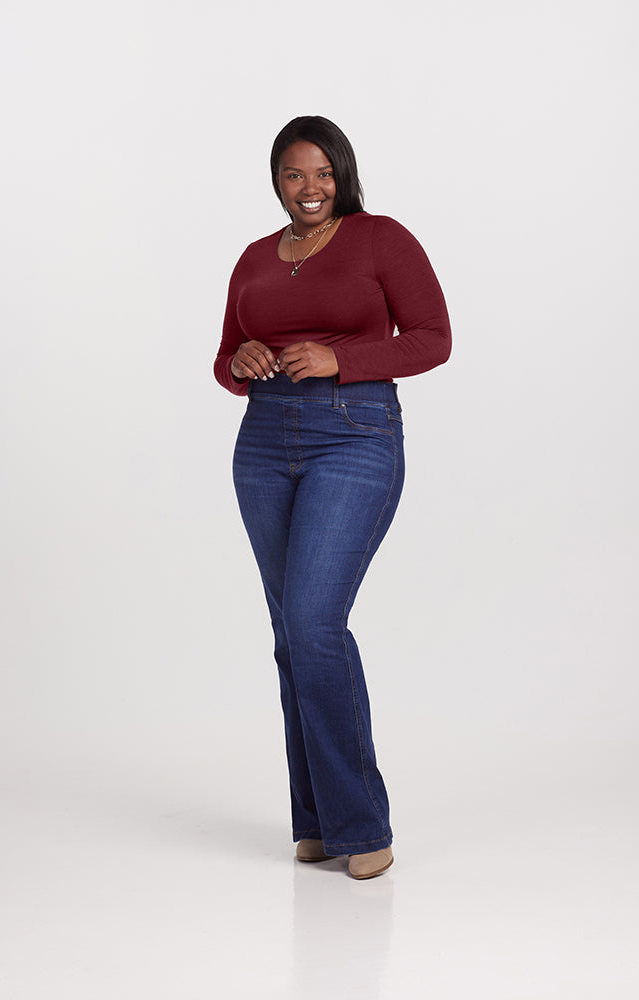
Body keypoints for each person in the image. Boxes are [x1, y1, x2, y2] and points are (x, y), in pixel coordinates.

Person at [214, 116, 451, 880]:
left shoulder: (382, 238)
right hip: (263, 441)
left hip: (354, 436)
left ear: (341, 174)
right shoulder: (254, 257)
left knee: (316, 622)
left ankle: (362, 827)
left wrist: (341, 359)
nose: (309, 188)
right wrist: (243, 360)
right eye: (293, 174)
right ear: (276, 181)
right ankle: (314, 823)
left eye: (322, 173)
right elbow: (225, 357)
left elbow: (432, 337)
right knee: (291, 633)